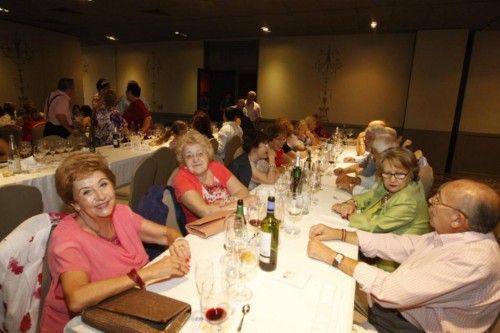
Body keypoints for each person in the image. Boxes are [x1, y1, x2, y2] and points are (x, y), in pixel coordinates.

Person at [308, 179, 500, 333]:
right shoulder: (455, 236)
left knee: (314, 309)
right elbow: (402, 245)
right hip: (394, 311)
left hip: (403, 326)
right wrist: (340, 234)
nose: (430, 202)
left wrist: (334, 257)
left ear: (457, 219)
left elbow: (390, 291)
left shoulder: (475, 260)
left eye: (437, 200)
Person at [40, 152, 191, 332]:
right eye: (86, 192)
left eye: (103, 184)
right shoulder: (67, 239)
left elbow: (166, 234)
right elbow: (76, 299)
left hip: (128, 306)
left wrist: (179, 242)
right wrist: (144, 274)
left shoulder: (121, 213)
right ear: (75, 204)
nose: (100, 196)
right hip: (84, 324)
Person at [333, 147, 429, 270]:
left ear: (411, 173)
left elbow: (375, 226)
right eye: (387, 173)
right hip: (378, 246)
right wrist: (352, 203)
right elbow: (370, 196)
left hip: (393, 265)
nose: (392, 179)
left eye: (399, 174)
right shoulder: (393, 185)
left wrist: (346, 213)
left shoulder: (408, 200)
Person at [173, 130, 249, 224]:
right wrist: (242, 202)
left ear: (207, 154)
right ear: (183, 161)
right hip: (204, 231)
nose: (196, 159)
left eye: (200, 154)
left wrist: (229, 201)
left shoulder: (216, 166)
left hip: (230, 221)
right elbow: (206, 212)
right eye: (189, 156)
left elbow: (243, 191)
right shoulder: (181, 179)